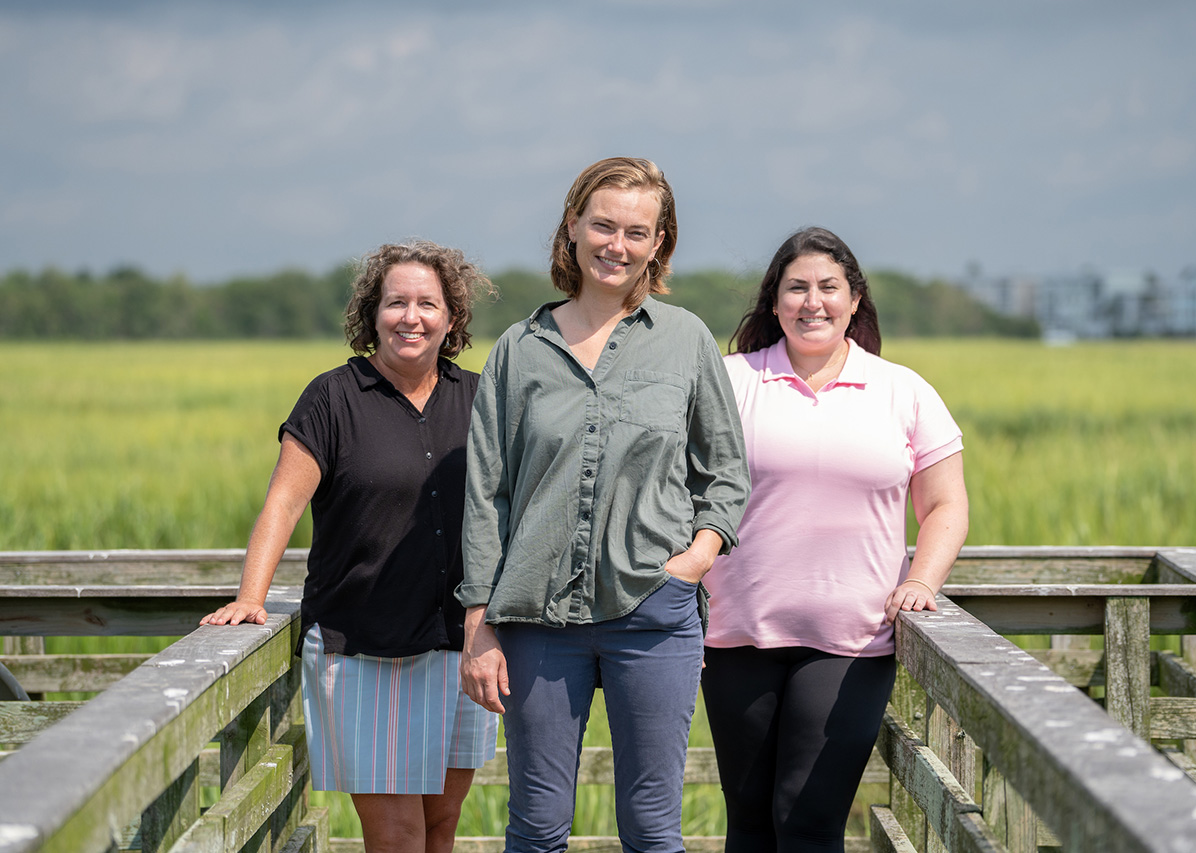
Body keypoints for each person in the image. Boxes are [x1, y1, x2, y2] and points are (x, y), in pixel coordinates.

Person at [458, 157, 751, 853]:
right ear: (573, 227)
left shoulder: (685, 341)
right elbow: (486, 493)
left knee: (651, 827)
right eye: (603, 225)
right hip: (535, 617)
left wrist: (697, 556)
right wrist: (479, 624)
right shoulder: (519, 350)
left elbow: (727, 473)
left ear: (659, 243)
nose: (616, 244)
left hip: (654, 611)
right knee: (535, 825)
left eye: (636, 231)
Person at [200, 241, 500, 853]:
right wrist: (250, 597)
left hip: (463, 644)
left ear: (451, 318)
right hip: (366, 647)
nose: (410, 317)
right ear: (372, 313)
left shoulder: (481, 398)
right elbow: (283, 502)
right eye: (395, 302)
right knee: (396, 834)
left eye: (427, 303)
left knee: (442, 825)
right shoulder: (332, 398)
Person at [700, 227, 969, 853]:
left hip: (852, 641)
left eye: (828, 288)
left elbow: (946, 505)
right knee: (749, 823)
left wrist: (922, 581)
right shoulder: (728, 380)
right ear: (774, 301)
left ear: (854, 300)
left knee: (808, 820)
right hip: (736, 632)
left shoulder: (903, 390)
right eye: (796, 287)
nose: (811, 302)